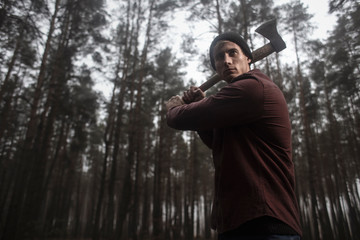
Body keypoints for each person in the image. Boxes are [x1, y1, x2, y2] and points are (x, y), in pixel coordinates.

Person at [165, 32, 302, 240]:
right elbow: (217, 142)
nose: (227, 60)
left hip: (265, 225)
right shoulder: (237, 105)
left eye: (232, 52)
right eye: (219, 57)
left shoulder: (253, 87)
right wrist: (197, 105)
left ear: (248, 58)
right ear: (217, 68)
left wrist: (175, 108)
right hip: (239, 223)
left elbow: (178, 118)